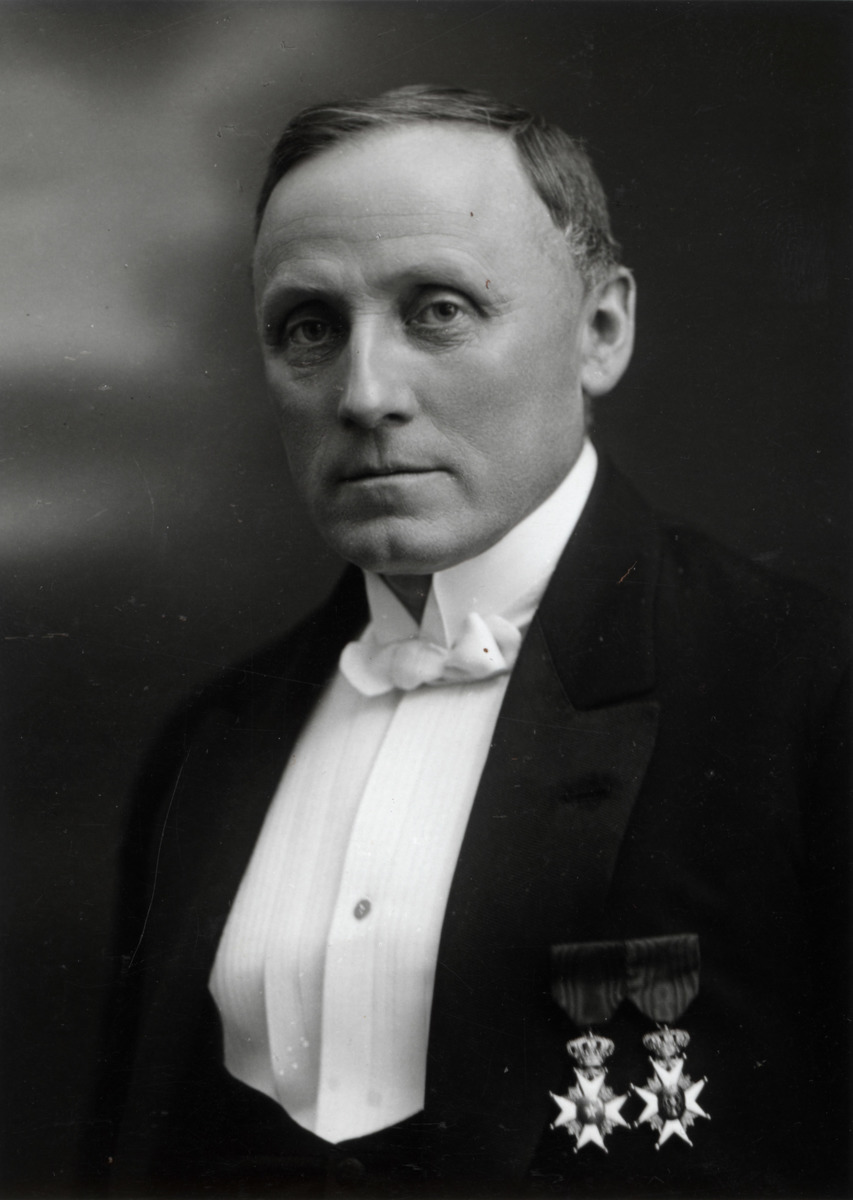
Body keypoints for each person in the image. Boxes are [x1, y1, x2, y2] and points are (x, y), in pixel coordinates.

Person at [87, 86, 849, 1198]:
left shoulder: (805, 690)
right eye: (310, 328)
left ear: (600, 331)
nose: (365, 394)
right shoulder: (207, 745)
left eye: (438, 310)